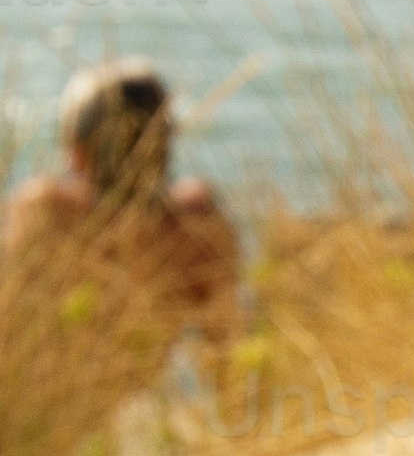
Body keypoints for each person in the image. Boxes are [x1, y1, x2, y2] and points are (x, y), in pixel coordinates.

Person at [4, 64, 244, 358]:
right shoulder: (196, 219)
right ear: (165, 143)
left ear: (77, 150)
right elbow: (227, 349)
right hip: (138, 395)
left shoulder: (45, 209)